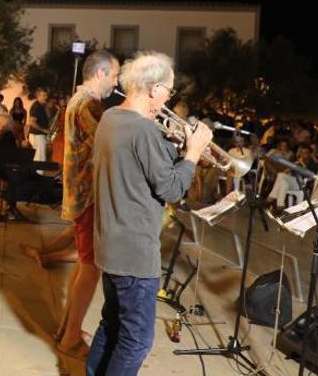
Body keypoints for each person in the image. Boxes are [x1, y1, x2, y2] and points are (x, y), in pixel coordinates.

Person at [87, 51, 212, 375]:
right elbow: (171, 189)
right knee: (136, 341)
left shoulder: (111, 117)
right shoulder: (143, 130)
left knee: (111, 325)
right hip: (134, 252)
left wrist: (179, 151)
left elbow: (142, 166)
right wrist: (194, 154)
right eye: (169, 90)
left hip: (110, 243)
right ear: (154, 88)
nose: (169, 97)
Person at [51, 51, 119, 359]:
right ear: (100, 73)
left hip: (82, 194)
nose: (116, 83)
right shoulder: (89, 105)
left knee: (83, 264)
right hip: (89, 195)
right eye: (115, 76)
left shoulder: (77, 101)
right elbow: (111, 144)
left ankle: (68, 329)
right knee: (91, 269)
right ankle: (70, 341)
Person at [27, 88, 50, 166]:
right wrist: (44, 130)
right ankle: (37, 177)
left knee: (39, 158)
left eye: (46, 95)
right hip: (37, 136)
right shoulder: (36, 107)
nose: (46, 97)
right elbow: (32, 122)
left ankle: (37, 176)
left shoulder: (40, 106)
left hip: (39, 135)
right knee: (40, 159)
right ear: (38, 96)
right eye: (43, 95)